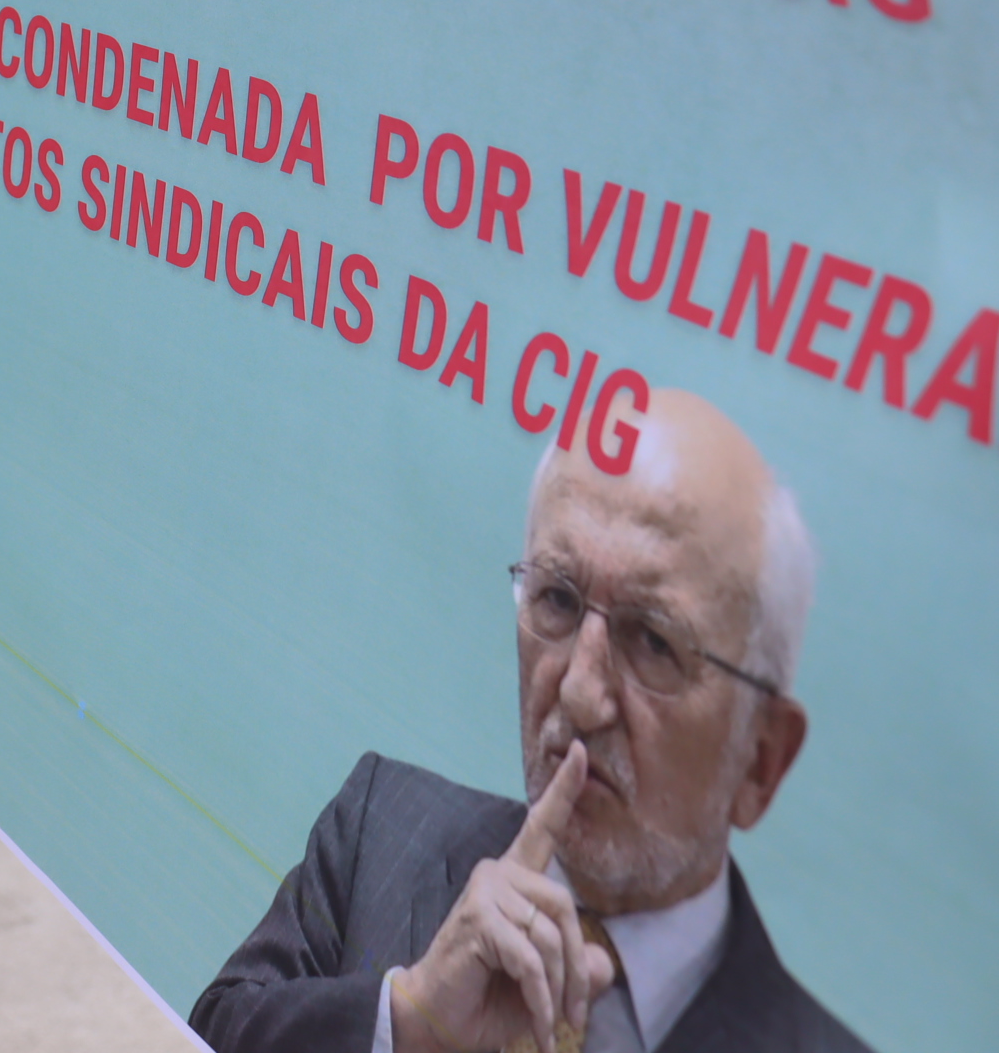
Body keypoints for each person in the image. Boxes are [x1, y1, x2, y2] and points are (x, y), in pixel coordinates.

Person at [186, 389, 870, 1053]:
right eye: (558, 599)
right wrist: (406, 1026)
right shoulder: (381, 833)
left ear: (760, 761)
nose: (579, 693)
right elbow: (201, 1034)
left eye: (654, 641)